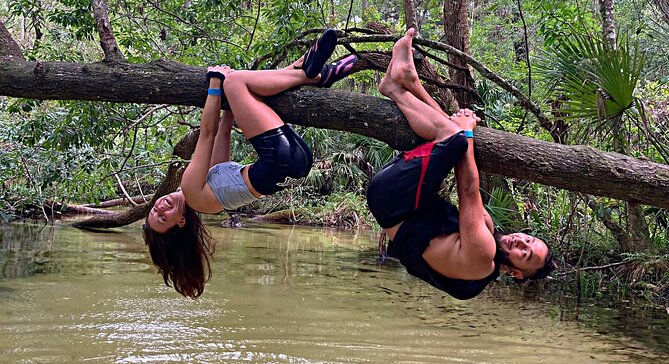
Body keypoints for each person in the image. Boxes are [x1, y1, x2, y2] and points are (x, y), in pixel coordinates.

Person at [143, 29, 358, 298]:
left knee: (249, 88)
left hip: (297, 164)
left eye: (154, 212)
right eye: (164, 218)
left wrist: (229, 105)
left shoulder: (207, 199)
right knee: (235, 82)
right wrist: (215, 83)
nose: (160, 208)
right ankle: (313, 75)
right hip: (279, 161)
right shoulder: (191, 192)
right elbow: (207, 132)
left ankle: (306, 67)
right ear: (181, 222)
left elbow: (221, 133)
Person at [367, 28, 554, 300]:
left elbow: (468, 188)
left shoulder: (482, 258)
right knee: (451, 135)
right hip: (400, 200)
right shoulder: (483, 249)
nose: (521, 242)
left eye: (524, 254)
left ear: (516, 273)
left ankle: (396, 88)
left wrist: (465, 131)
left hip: (394, 200)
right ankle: (408, 81)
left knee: (454, 138)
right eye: (529, 240)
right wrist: (451, 118)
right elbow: (445, 134)